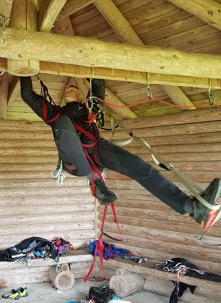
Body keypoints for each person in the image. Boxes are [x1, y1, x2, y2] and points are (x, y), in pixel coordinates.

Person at [20, 76, 221, 229]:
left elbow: (97, 88)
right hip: (75, 161)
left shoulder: (90, 109)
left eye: (74, 89)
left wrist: (90, 67)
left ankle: (193, 209)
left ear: (81, 96)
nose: (69, 90)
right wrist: (24, 73)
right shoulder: (55, 113)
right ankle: (93, 179)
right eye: (67, 90)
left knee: (138, 166)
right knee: (62, 122)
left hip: (96, 149)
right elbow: (27, 95)